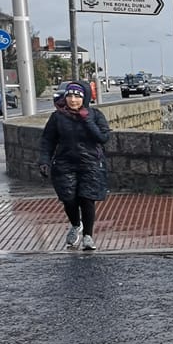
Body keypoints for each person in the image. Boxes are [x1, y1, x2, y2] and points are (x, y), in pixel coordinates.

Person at [38, 80, 111, 250]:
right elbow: (47, 140)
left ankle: (88, 236)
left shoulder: (95, 115)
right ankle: (76, 224)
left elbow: (103, 138)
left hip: (90, 163)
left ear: (84, 98)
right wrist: (44, 160)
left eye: (77, 96)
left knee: (87, 198)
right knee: (69, 199)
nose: (73, 100)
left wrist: (87, 120)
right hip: (65, 163)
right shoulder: (57, 117)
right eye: (69, 96)